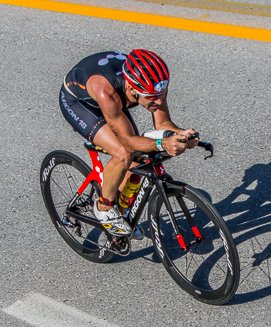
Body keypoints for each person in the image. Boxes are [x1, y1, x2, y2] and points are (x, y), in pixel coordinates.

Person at [59, 49, 198, 236]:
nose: (159, 100)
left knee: (140, 158)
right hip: (80, 103)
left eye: (162, 94)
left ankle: (120, 216)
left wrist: (183, 135)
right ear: (132, 89)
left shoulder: (153, 85)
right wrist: (163, 144)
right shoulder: (106, 89)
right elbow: (128, 141)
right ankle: (104, 207)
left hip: (115, 105)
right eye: (152, 97)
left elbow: (163, 124)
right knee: (123, 153)